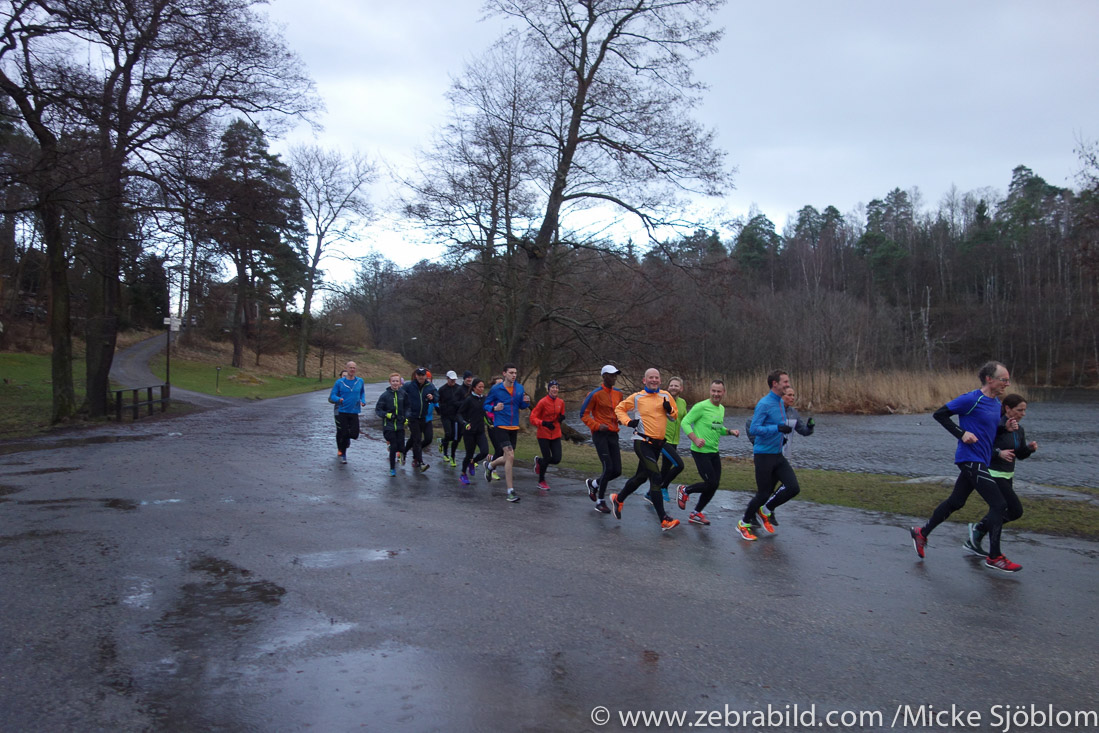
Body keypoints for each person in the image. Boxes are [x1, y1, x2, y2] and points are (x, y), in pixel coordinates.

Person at [910, 361, 1021, 572]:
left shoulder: (996, 404)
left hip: (982, 459)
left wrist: (1004, 428)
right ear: (990, 379)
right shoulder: (972, 399)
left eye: (1008, 380)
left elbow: (988, 434)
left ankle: (921, 533)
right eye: (1003, 379)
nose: (1007, 383)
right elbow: (940, 414)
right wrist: (961, 433)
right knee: (999, 504)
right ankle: (995, 557)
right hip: (969, 458)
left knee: (956, 501)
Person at [962, 393, 1037, 565]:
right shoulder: (995, 425)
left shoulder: (1019, 429)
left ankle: (978, 530)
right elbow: (983, 447)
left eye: (1025, 410)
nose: (1023, 413)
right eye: (1020, 410)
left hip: (1008, 475)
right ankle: (982, 535)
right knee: (1013, 509)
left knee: (1012, 512)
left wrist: (1029, 449)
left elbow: (1019, 455)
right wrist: (998, 453)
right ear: (1008, 409)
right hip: (992, 473)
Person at [610, 368, 680, 531]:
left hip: (658, 444)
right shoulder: (637, 397)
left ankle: (618, 499)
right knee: (655, 477)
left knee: (641, 477)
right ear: (644, 380)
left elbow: (674, 416)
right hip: (642, 442)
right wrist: (628, 421)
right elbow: (619, 408)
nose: (654, 380)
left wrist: (669, 409)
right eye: (651, 378)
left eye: (656, 378)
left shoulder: (665, 395)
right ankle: (664, 519)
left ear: (660, 380)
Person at [737, 370, 802, 541]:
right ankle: (743, 524)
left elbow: (777, 424)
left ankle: (765, 511)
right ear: (775, 384)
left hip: (777, 454)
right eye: (785, 382)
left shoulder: (780, 403)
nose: (788, 384)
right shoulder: (764, 404)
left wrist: (783, 433)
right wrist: (777, 429)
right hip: (763, 455)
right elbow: (754, 429)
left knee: (793, 487)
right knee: (763, 494)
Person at [745, 385, 815, 527]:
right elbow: (750, 424)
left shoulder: (793, 413)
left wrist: (810, 428)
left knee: (786, 487)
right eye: (789, 395)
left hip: (783, 456)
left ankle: (766, 510)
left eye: (793, 395)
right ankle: (752, 516)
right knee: (766, 490)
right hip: (767, 455)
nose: (792, 398)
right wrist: (756, 443)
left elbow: (802, 430)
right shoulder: (771, 409)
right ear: (781, 396)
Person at [675, 379, 740, 526]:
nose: (716, 394)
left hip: (713, 451)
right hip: (700, 451)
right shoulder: (701, 406)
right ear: (710, 391)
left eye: (719, 391)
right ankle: (685, 490)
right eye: (713, 391)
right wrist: (695, 439)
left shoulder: (721, 409)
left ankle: (696, 513)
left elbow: (717, 428)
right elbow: (685, 422)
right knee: (710, 482)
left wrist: (730, 432)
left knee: (714, 484)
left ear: (723, 392)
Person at [483, 363, 532, 503]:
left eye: (515, 373)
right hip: (500, 426)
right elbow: (486, 405)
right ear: (504, 374)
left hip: (513, 427)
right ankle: (510, 491)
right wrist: (494, 408)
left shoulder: (519, 388)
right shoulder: (496, 389)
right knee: (510, 455)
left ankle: (490, 465)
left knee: (507, 458)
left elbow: (521, 406)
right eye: (511, 372)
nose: (514, 375)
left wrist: (526, 403)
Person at [580, 364, 623, 514]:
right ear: (604, 376)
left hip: (613, 434)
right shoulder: (595, 394)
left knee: (617, 470)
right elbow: (583, 415)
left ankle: (594, 484)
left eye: (615, 375)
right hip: (600, 434)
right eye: (611, 375)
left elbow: (620, 412)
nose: (614, 378)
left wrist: (625, 421)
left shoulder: (618, 394)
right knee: (608, 467)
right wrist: (597, 426)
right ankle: (600, 501)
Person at [529, 379, 566, 490]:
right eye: (552, 387)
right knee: (547, 457)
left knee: (556, 459)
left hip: (555, 433)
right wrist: (543, 423)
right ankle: (541, 481)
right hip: (543, 434)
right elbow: (532, 418)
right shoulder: (543, 402)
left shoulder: (561, 402)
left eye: (556, 387)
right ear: (548, 389)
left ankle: (539, 461)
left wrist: (561, 418)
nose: (555, 389)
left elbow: (561, 414)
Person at [400, 366, 438, 472]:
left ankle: (405, 451)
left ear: (426, 376)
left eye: (423, 375)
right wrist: (403, 411)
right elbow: (400, 395)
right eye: (419, 375)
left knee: (425, 438)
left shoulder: (430, 386)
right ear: (416, 376)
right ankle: (420, 462)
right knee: (416, 439)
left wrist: (433, 398)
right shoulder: (409, 386)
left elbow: (437, 397)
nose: (421, 377)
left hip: (424, 417)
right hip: (413, 417)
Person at [328, 361, 366, 465]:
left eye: (354, 368)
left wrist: (363, 400)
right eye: (350, 368)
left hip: (354, 411)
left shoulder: (360, 381)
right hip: (343, 411)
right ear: (347, 368)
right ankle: (343, 455)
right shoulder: (340, 382)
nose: (352, 369)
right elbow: (332, 396)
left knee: (354, 434)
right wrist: (339, 399)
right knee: (343, 433)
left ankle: (346, 439)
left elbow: (362, 392)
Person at [658, 376, 688, 502]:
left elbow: (685, 419)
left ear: (681, 388)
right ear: (668, 387)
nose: (673, 388)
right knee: (679, 465)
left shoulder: (682, 402)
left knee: (665, 468)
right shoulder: (662, 399)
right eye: (671, 385)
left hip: (675, 440)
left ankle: (651, 492)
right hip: (663, 440)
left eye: (676, 386)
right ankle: (663, 487)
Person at [457, 378, 490, 485]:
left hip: (480, 431)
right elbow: (459, 414)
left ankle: (473, 462)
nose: (481, 389)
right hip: (469, 432)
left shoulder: (484, 399)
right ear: (474, 388)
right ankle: (463, 474)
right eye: (479, 387)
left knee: (485, 451)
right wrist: (465, 424)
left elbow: (485, 414)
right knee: (469, 454)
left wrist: (490, 423)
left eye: (483, 387)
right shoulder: (469, 399)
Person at [374, 372, 406, 476]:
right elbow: (378, 410)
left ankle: (401, 455)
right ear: (390, 382)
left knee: (401, 447)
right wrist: (387, 415)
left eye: (397, 381)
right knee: (393, 446)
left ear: (400, 382)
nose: (395, 383)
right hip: (389, 426)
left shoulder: (403, 394)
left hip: (400, 425)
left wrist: (406, 418)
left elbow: (408, 408)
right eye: (393, 381)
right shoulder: (385, 395)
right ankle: (392, 469)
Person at [438, 370, 464, 468]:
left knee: (454, 437)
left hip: (456, 416)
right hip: (445, 415)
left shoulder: (459, 389)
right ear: (447, 379)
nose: (453, 381)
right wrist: (441, 410)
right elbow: (438, 401)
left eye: (454, 380)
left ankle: (442, 441)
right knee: (448, 434)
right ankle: (445, 454)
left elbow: (463, 401)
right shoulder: (442, 389)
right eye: (451, 379)